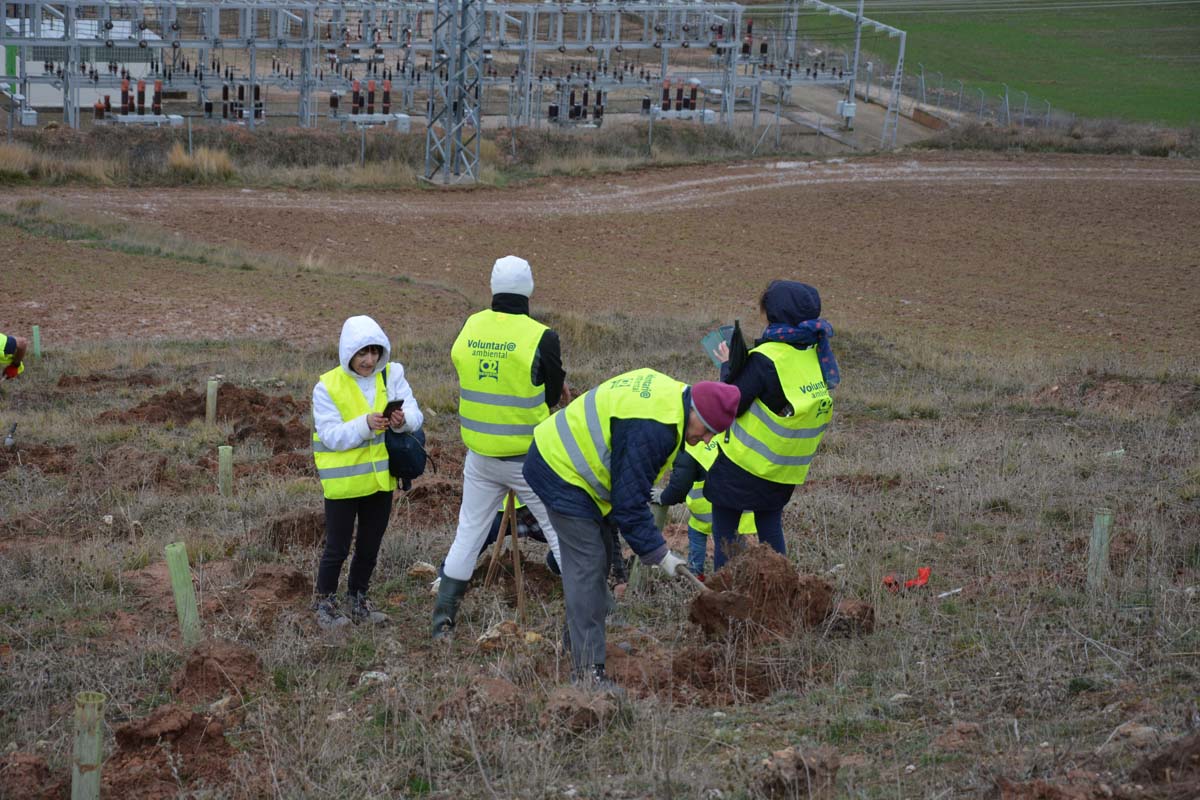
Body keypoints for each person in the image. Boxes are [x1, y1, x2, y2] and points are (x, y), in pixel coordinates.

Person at [523, 369, 740, 690]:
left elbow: (626, 490)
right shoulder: (656, 429)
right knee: (588, 564)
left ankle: (580, 641)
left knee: (600, 557)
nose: (706, 439)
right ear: (695, 410)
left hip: (582, 472)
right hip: (561, 468)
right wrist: (660, 553)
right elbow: (629, 505)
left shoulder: (676, 403)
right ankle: (587, 672)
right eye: (708, 430)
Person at [432, 255, 568, 640]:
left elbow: (463, 366)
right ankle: (593, 610)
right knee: (560, 534)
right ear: (529, 289)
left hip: (480, 457)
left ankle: (443, 621)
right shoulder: (542, 336)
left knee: (468, 534)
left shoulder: (471, 326)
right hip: (529, 461)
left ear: (493, 287)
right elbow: (554, 395)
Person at [705, 280, 839, 571]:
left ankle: (723, 594)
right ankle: (782, 589)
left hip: (744, 465)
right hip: (784, 469)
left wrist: (728, 366)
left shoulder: (765, 359)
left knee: (725, 533)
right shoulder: (814, 355)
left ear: (774, 314)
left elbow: (732, 405)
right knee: (770, 525)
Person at [312, 315, 424, 630]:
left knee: (369, 545)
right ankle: (324, 603)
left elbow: (415, 413)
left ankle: (358, 599)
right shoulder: (327, 386)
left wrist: (403, 421)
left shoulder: (391, 375)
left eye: (375, 352)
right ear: (349, 353)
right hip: (344, 483)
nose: (370, 360)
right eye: (363, 353)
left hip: (380, 480)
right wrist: (365, 426)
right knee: (337, 547)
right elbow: (331, 435)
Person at [652, 438, 756, 580]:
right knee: (733, 538)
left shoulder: (687, 447)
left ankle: (697, 574)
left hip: (709, 506)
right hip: (740, 503)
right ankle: (742, 573)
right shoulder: (717, 435)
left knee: (702, 534)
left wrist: (664, 497)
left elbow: (681, 484)